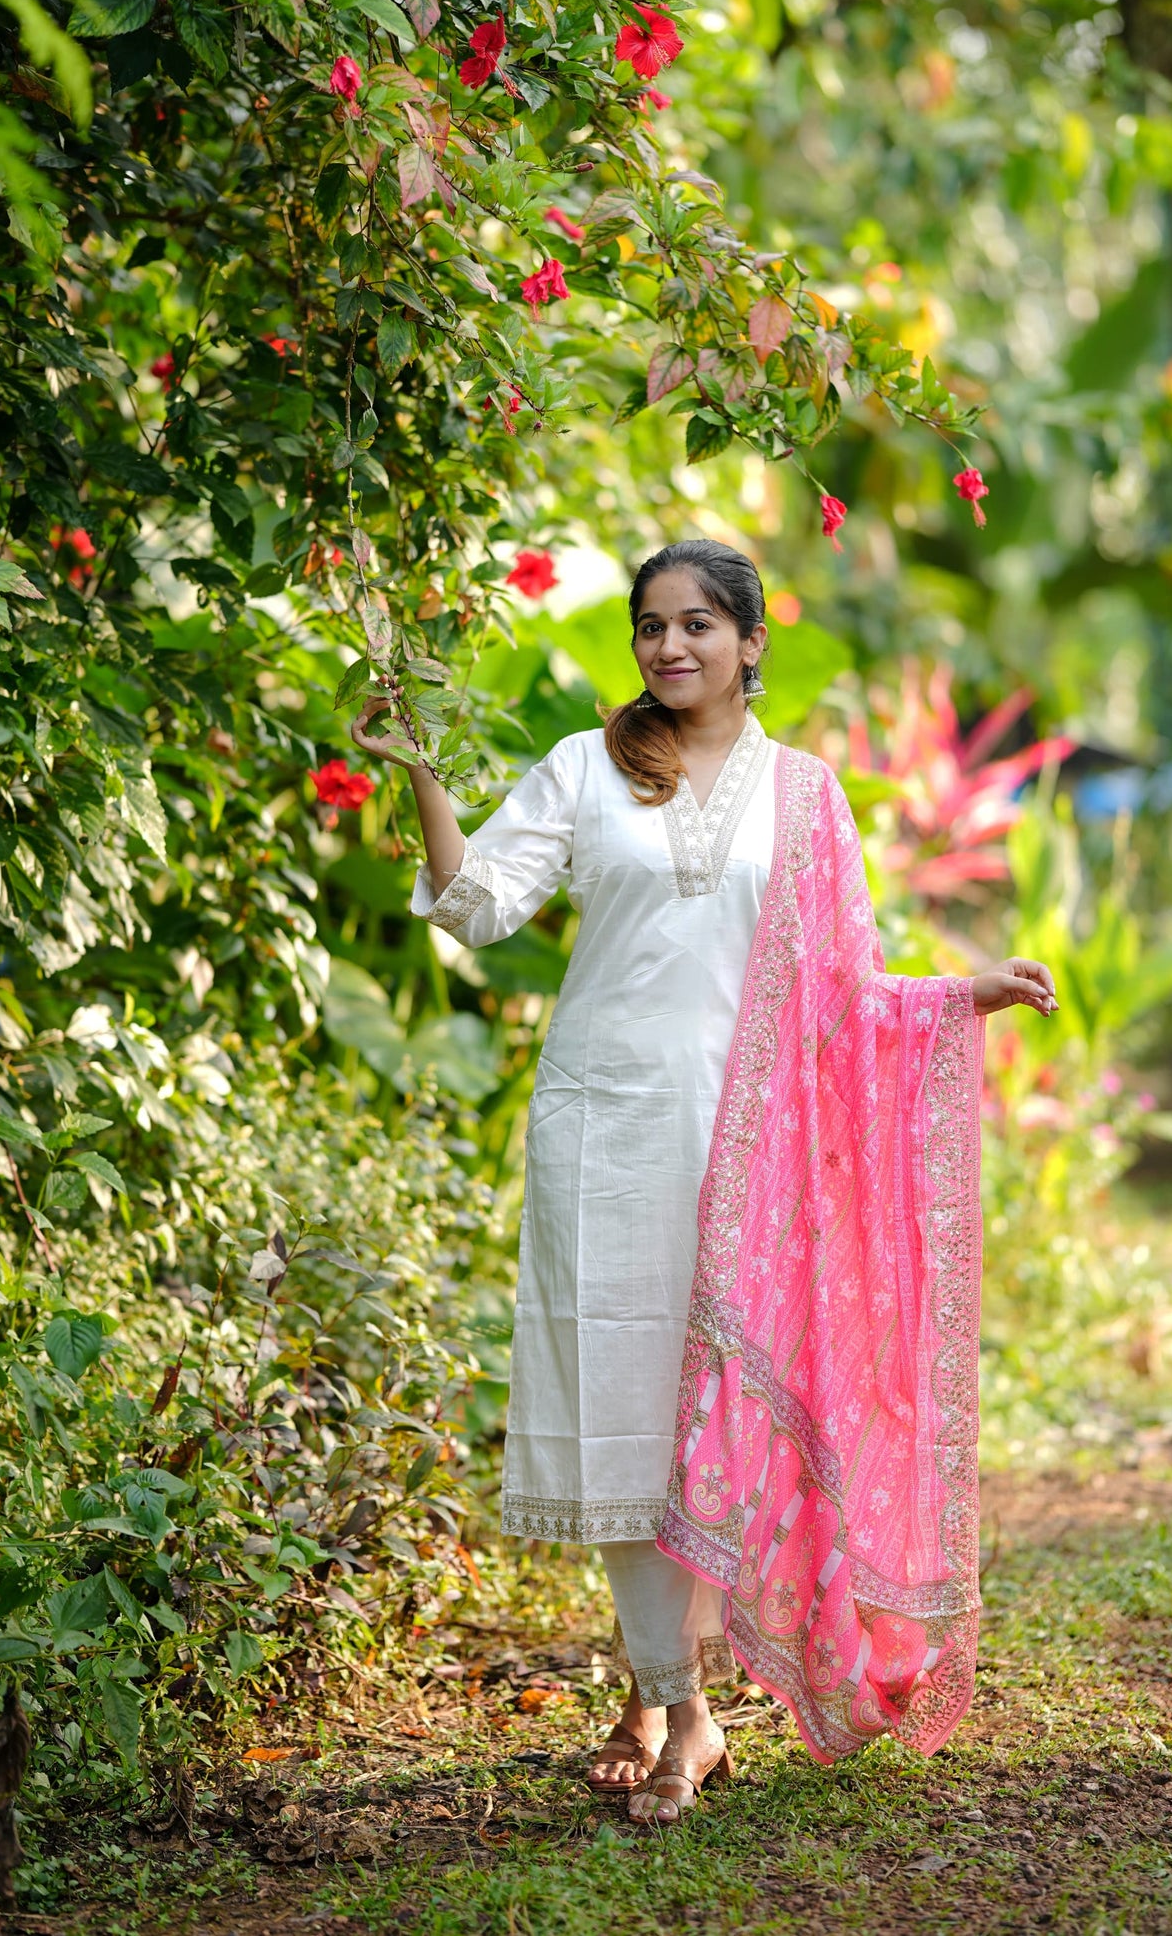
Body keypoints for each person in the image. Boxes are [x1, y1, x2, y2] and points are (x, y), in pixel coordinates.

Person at [352, 540, 1056, 1824]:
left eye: (694, 626)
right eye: (648, 628)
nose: (668, 648)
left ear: (747, 643)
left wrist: (962, 993)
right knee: (626, 1409)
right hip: (601, 1129)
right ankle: (681, 1709)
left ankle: (663, 1688)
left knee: (714, 1411)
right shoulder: (586, 765)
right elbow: (472, 904)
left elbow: (840, 990)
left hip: (751, 1148)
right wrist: (416, 769)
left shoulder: (805, 794)